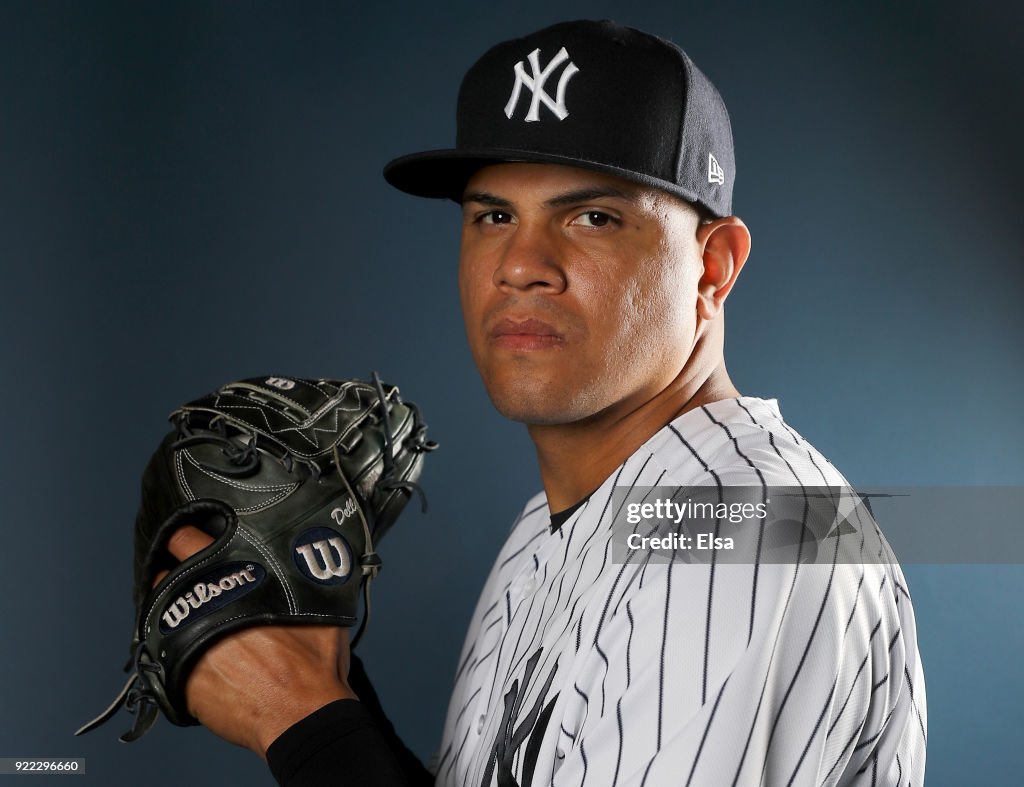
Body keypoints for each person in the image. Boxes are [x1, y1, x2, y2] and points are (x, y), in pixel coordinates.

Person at [162, 20, 927, 786]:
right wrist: (327, 688)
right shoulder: (546, 528)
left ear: (713, 265)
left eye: (592, 216)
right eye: (494, 216)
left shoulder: (753, 525)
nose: (522, 265)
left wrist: (302, 719)